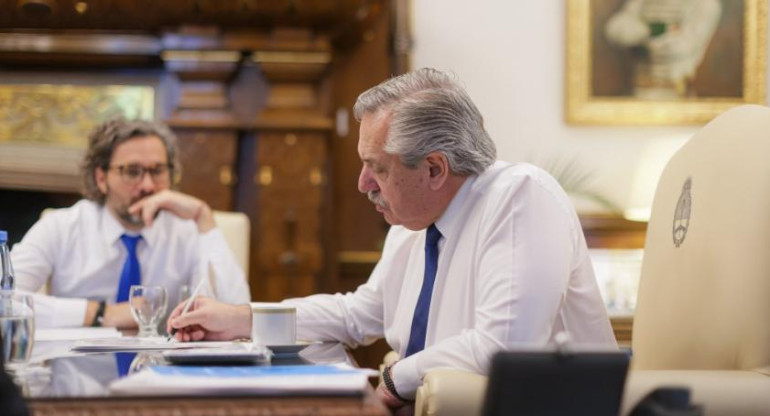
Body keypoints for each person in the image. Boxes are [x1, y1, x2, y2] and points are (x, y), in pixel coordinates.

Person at [166, 68, 616, 413]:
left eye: (377, 167)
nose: (363, 184)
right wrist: (241, 318)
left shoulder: (520, 194)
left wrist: (394, 379)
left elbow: (504, 347)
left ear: (435, 169)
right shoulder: (412, 224)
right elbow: (358, 313)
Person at [11, 118, 249, 329]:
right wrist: (100, 313)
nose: (147, 185)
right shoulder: (62, 227)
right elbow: (4, 299)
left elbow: (236, 313)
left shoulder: (187, 229)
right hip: (78, 375)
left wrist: (202, 216)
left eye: (158, 171)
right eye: (132, 172)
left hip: (163, 374)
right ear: (101, 178)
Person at [604, 0, 722, 99]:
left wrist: (641, 38)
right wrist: (653, 29)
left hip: (676, 94)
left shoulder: (705, 3)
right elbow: (615, 29)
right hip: (639, 90)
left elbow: (681, 45)